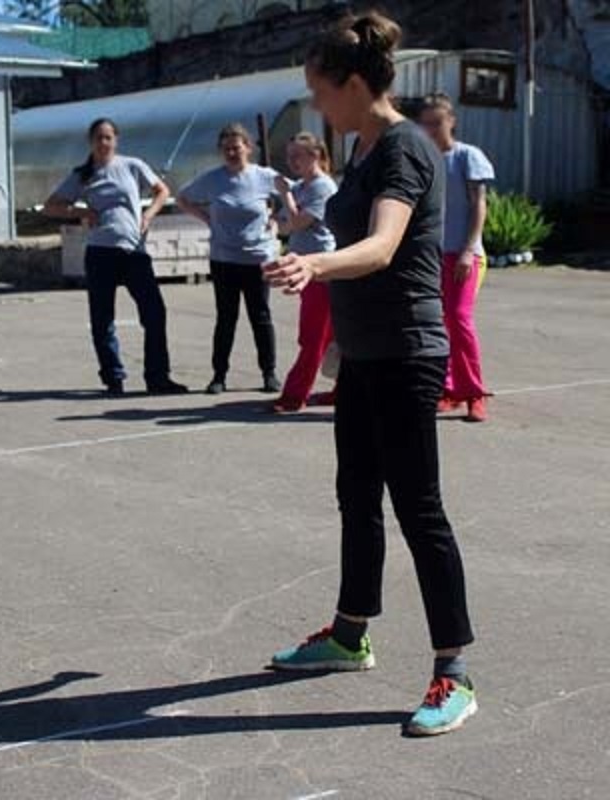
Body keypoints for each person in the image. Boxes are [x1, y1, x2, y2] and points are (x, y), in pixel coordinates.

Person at [263, 12, 477, 736]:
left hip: (409, 355)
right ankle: (351, 634)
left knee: (420, 510)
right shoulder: (362, 146)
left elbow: (384, 246)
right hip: (367, 353)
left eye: (320, 91)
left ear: (354, 84)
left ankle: (455, 669)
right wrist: (338, 343)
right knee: (357, 493)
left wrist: (314, 265)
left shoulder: (404, 150)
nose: (316, 105)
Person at [44, 118, 187, 396]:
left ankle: (158, 377)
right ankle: (113, 378)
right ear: (91, 142)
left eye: (108, 137)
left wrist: (148, 214)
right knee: (102, 319)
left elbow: (162, 191)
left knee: (154, 313)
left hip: (134, 251)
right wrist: (83, 213)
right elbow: (51, 206)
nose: (103, 142)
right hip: (100, 253)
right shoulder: (83, 174)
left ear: (116, 140)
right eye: (98, 137)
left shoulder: (132, 166)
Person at [177, 123, 297, 395]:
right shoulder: (212, 179)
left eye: (237, 147)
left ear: (248, 148)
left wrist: (278, 222)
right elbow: (182, 198)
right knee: (226, 318)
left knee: (261, 316)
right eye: (227, 148)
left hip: (258, 259)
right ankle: (219, 376)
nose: (232, 152)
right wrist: (206, 219)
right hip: (224, 259)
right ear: (221, 150)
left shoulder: (264, 176)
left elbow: (294, 192)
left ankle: (269, 373)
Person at [418, 92, 494, 422]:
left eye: (438, 122)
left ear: (452, 121)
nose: (433, 129)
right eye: (427, 124)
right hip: (433, 256)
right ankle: (448, 390)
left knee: (459, 319)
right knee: (439, 324)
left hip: (465, 255)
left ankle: (474, 393)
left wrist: (468, 249)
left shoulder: (468, 156)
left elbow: (479, 205)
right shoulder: (425, 159)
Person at [273, 132, 339, 413]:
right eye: (289, 156)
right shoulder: (301, 187)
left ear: (315, 156)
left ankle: (294, 395)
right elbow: (284, 226)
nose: (292, 161)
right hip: (307, 269)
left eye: (297, 155)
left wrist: (285, 195)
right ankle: (344, 389)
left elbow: (297, 222)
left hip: (322, 270)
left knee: (314, 336)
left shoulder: (321, 187)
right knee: (331, 336)